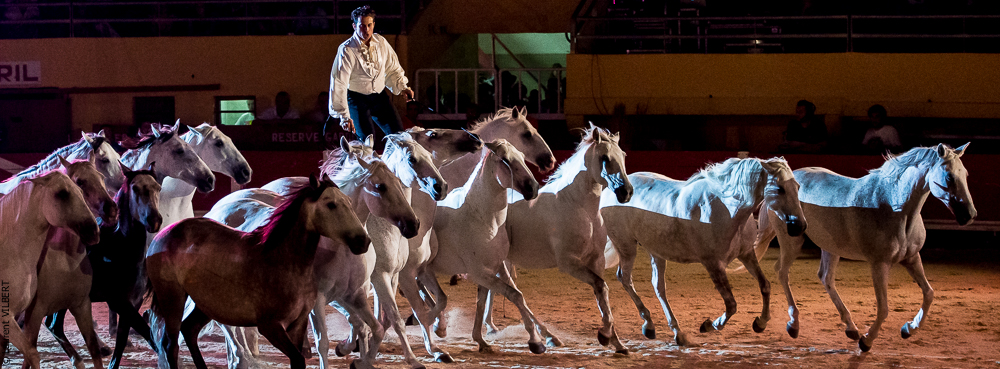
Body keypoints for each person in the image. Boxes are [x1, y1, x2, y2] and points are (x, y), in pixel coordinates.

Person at [327, 5, 414, 140]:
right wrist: (344, 116)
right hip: (356, 99)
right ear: (354, 26)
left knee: (399, 136)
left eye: (369, 25)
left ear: (373, 24)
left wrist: (402, 87)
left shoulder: (381, 42)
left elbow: (392, 67)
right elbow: (339, 83)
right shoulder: (347, 49)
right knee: (367, 141)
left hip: (379, 96)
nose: (366, 30)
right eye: (362, 25)